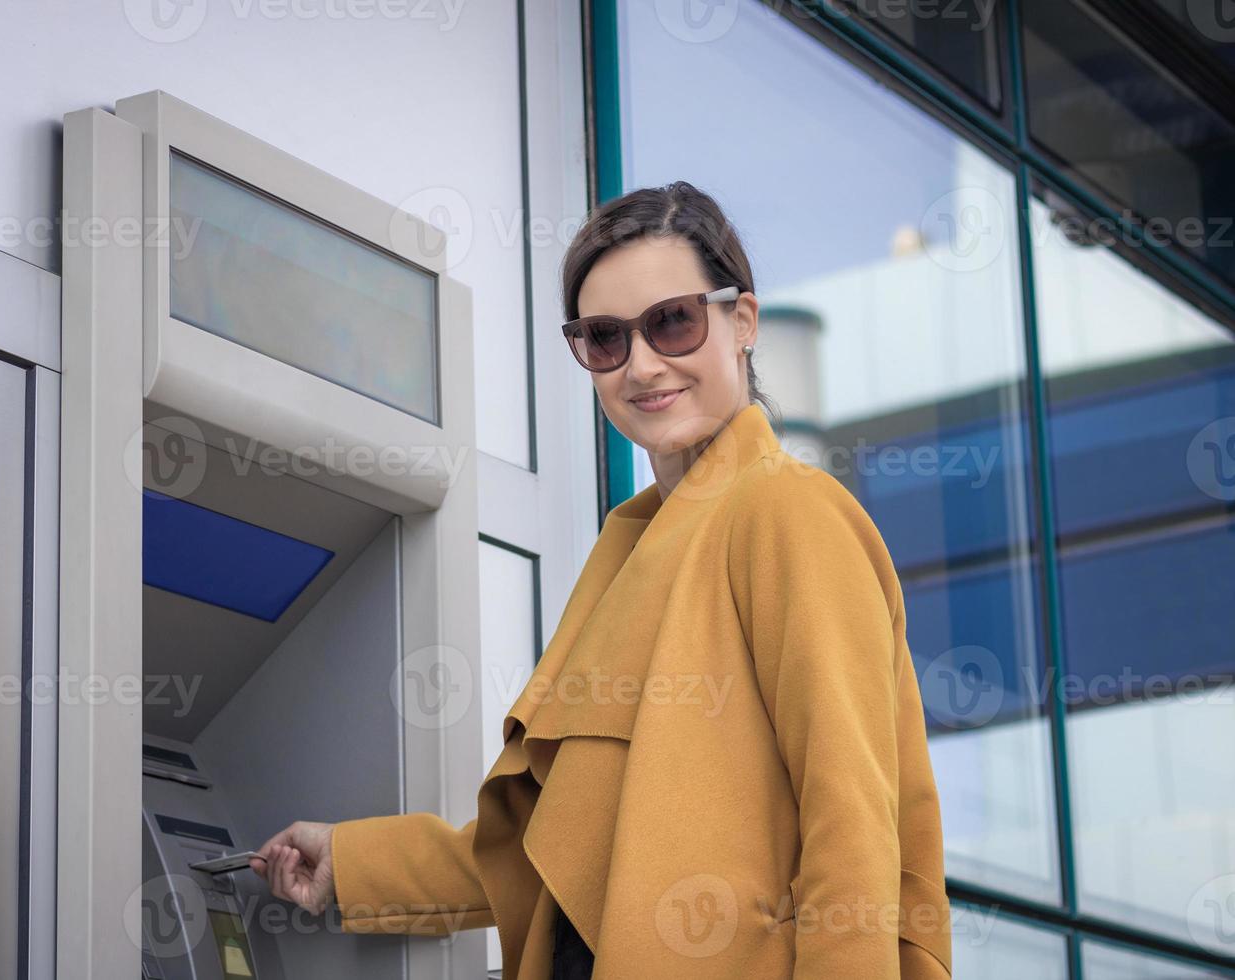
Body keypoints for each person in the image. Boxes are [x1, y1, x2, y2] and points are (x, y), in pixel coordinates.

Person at [251, 181, 953, 979]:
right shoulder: (630, 553)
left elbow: (852, 827)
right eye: (605, 339)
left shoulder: (785, 512)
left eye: (674, 321)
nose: (643, 365)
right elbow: (546, 856)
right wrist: (349, 861)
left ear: (743, 321)